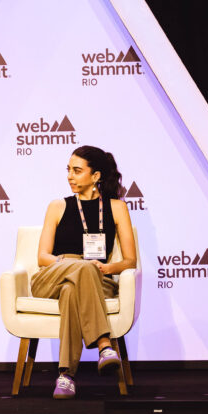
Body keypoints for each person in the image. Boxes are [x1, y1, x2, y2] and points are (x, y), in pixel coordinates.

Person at [32, 145, 138, 399]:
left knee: (72, 289)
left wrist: (108, 268)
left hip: (98, 277)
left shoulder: (116, 208)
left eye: (77, 171)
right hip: (54, 275)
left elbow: (130, 260)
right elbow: (42, 257)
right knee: (79, 271)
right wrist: (73, 265)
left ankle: (65, 376)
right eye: (68, 170)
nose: (70, 176)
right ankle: (103, 344)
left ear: (96, 176)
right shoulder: (57, 206)